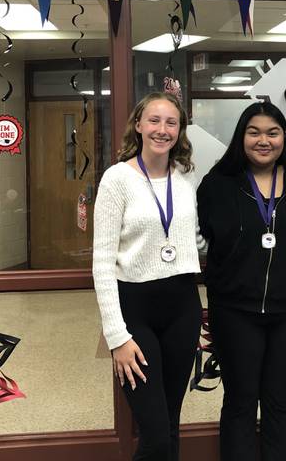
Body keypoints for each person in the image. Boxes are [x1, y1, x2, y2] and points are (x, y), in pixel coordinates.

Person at [197, 101, 286, 461]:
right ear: (241, 137)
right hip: (235, 309)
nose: (263, 140)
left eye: (273, 132)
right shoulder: (217, 184)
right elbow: (199, 235)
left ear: (284, 136)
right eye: (254, 132)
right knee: (239, 399)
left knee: (279, 398)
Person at [93, 92, 203, 461]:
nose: (162, 129)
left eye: (171, 122)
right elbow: (102, 261)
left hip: (183, 305)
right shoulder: (117, 179)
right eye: (154, 121)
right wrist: (116, 336)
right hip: (135, 310)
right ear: (138, 126)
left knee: (171, 424)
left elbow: (193, 236)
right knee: (154, 435)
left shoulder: (185, 177)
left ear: (180, 131)